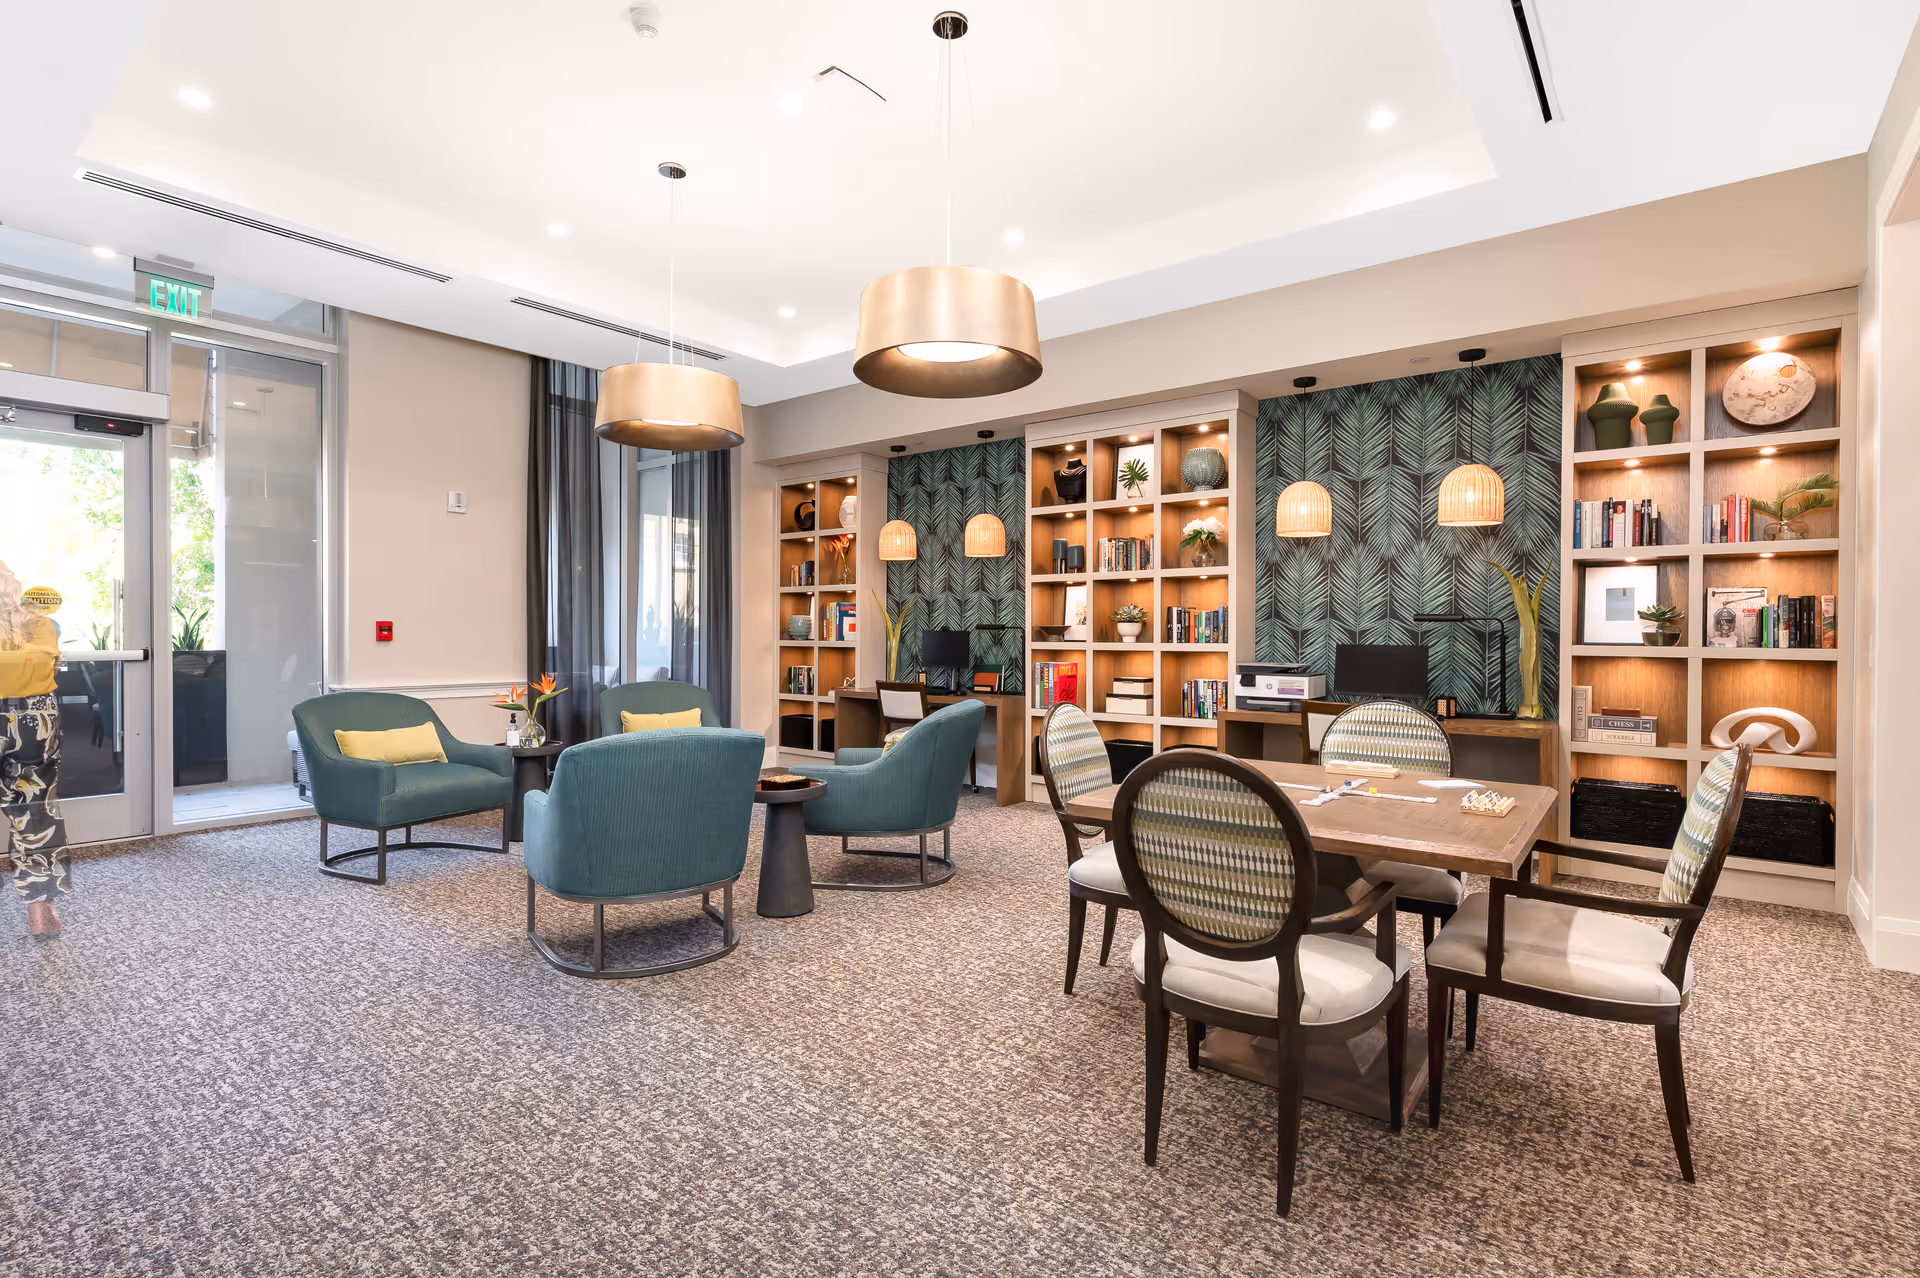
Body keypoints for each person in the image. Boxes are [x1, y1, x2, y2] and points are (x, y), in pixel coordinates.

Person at [0, 561, 68, 937]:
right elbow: (44, 663)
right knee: (36, 814)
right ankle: (41, 914)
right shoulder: (40, 623)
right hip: (33, 717)